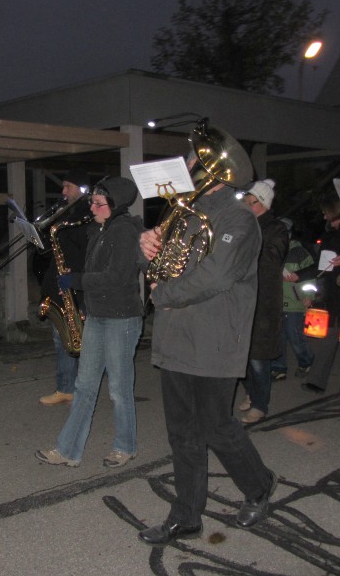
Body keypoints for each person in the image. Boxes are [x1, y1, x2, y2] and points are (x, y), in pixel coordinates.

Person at [137, 154, 277, 547]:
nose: (186, 170)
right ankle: (186, 517)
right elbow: (159, 266)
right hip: (175, 337)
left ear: (214, 173)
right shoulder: (183, 214)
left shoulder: (239, 218)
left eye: (194, 164)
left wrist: (164, 295)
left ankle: (259, 485)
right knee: (182, 433)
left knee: (217, 427)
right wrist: (145, 246)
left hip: (215, 339)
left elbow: (217, 276)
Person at [35, 177, 144, 468]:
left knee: (119, 389)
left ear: (115, 205)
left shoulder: (125, 230)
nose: (92, 207)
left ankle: (125, 446)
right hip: (97, 315)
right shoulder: (100, 229)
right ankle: (68, 450)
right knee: (84, 386)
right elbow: (95, 270)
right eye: (92, 202)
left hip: (121, 318)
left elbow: (116, 277)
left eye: (98, 203)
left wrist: (77, 280)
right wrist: (81, 297)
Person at [38, 169, 92, 406]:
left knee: (76, 339)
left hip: (75, 285)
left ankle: (76, 387)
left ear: (81, 188)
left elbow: (88, 253)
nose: (63, 191)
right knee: (61, 339)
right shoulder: (66, 214)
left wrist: (75, 276)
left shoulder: (86, 217)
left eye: (68, 186)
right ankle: (66, 388)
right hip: (59, 284)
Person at [238, 180, 288, 425]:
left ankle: (260, 405)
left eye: (252, 202)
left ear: (264, 203)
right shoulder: (245, 224)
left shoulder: (276, 228)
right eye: (246, 202)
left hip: (263, 300)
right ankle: (251, 392)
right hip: (242, 298)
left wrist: (248, 246)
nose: (248, 206)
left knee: (258, 357)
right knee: (242, 353)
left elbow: (271, 260)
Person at [301, 195, 340, 394]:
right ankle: (317, 380)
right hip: (332, 292)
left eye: (325, 211)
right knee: (330, 334)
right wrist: (299, 275)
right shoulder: (329, 235)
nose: (324, 216)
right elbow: (321, 266)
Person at [267, 218, 316, 383]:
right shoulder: (273, 251)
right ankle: (279, 367)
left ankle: (306, 361)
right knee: (277, 337)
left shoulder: (299, 253)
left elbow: (310, 277)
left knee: (294, 336)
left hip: (295, 302)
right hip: (277, 302)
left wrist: (309, 296)